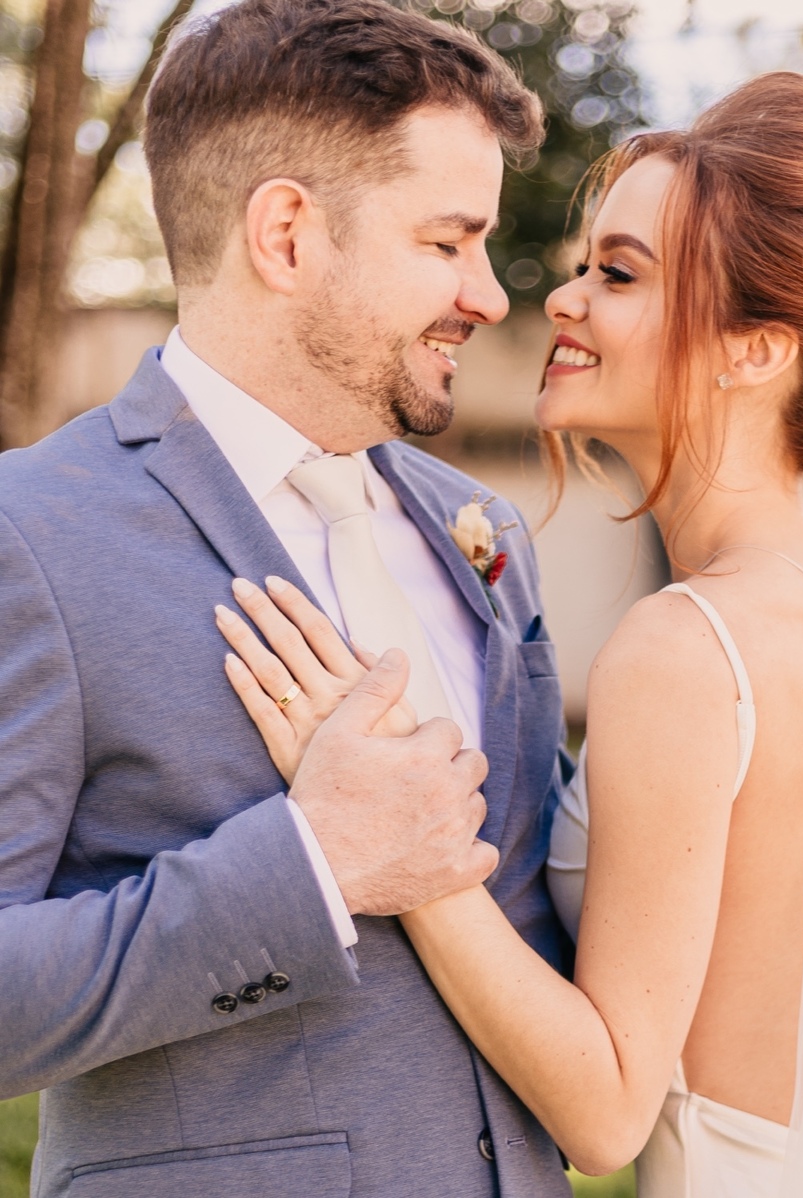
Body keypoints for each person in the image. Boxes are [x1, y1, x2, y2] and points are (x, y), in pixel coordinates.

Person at [225, 69, 803, 1196]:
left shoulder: (688, 648)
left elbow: (609, 1107)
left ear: (755, 349)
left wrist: (408, 848)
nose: (565, 300)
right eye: (586, 266)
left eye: (621, 274)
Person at [0, 2, 576, 1195]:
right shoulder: (30, 534)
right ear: (286, 233)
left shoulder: (487, 533)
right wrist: (315, 862)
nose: (490, 294)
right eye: (446, 241)